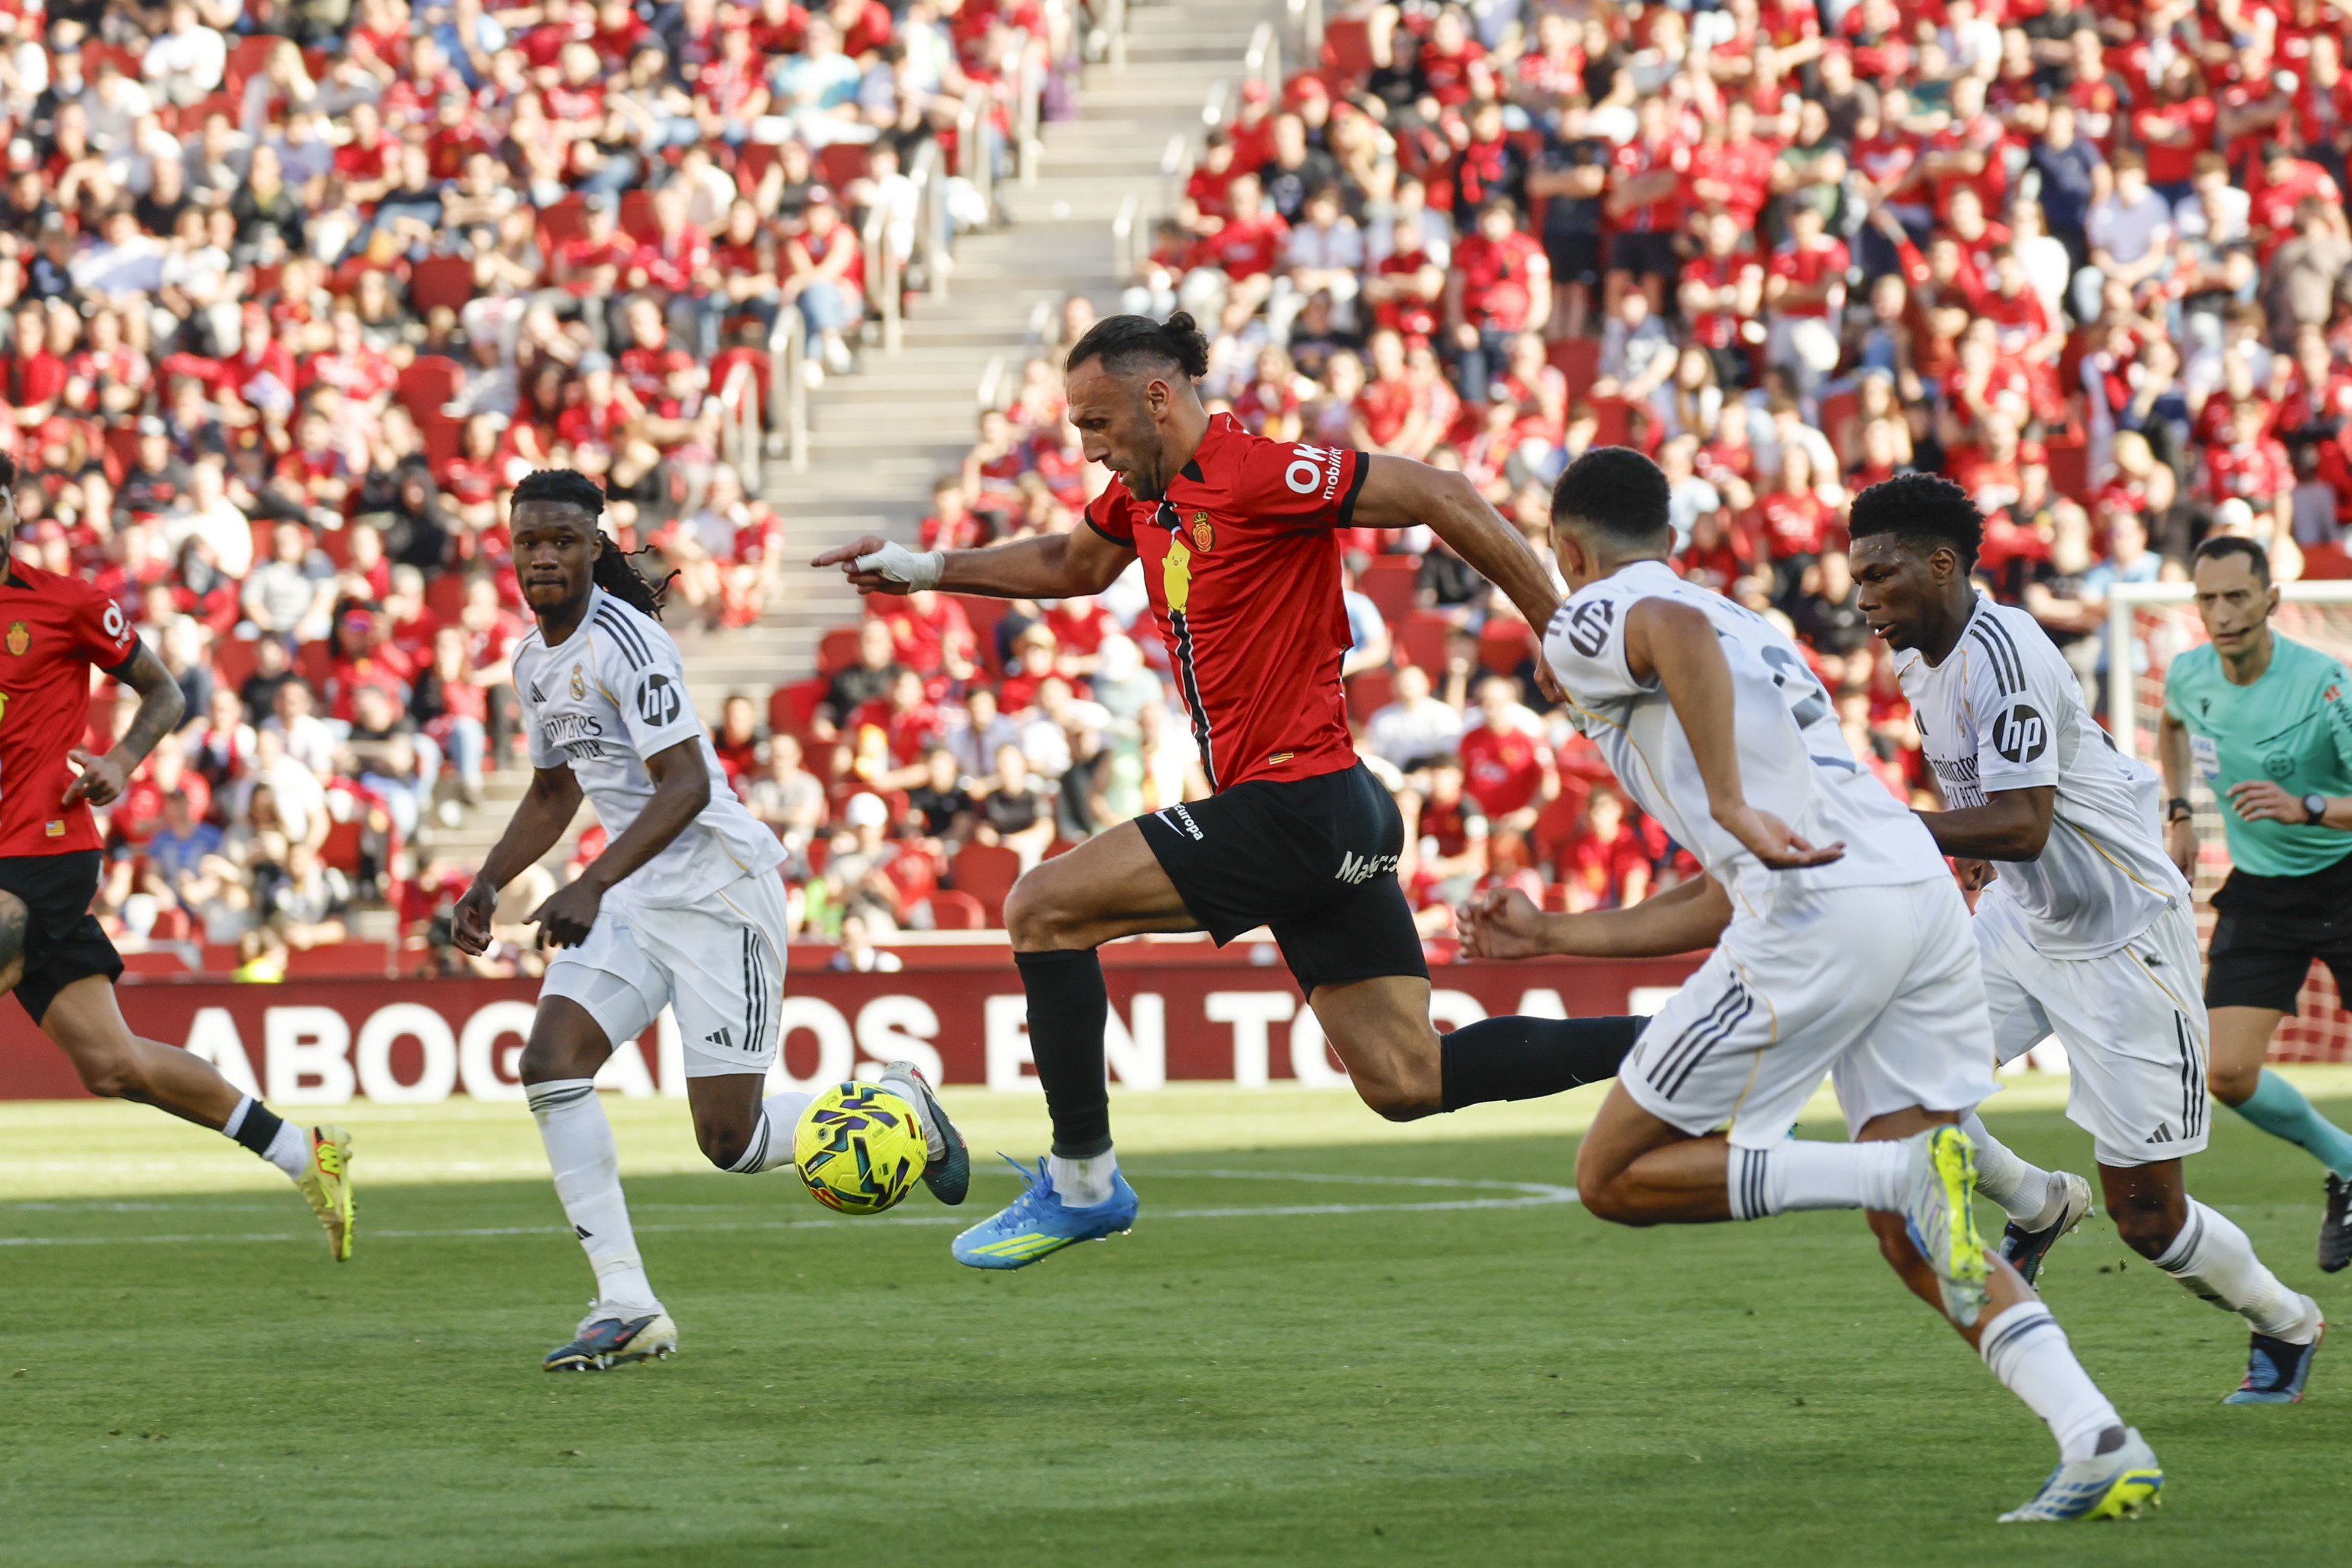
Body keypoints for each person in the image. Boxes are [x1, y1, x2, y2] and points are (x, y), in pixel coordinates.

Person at [817, 312, 1639, 1272]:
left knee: (1042, 907)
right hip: (1333, 812)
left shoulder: (1259, 473)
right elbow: (1072, 564)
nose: (1089, 449)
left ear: (1157, 398)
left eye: (1096, 423)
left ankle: (1082, 1181)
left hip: (1299, 802)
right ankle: (1688, 1041)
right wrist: (927, 568)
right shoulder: (1146, 499)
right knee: (1407, 1077)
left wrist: (1558, 628)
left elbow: (1441, 492)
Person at [1462, 447, 2160, 1521]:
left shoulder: (1616, 613)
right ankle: (2098, 1437)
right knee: (1920, 1234)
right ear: (1672, 537)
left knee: (1614, 1174)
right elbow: (1721, 883)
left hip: (1819, 913)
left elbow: (1671, 640)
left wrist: (1729, 804)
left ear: (1569, 551)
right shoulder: (1749, 626)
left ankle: (1892, 1172)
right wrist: (1556, 932)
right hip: (1909, 894)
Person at [452, 469, 969, 1371]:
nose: (544, 556)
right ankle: (627, 1301)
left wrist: (589, 883)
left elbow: (687, 783)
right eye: (529, 539)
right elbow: (553, 789)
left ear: (593, 546)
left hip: (719, 891)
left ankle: (897, 1103)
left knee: (732, 1142)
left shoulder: (630, 640)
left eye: (563, 540)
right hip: (635, 893)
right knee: (550, 1062)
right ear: (511, 544)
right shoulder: (533, 659)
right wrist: (489, 881)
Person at [1851, 475, 2324, 1406]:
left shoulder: (2007, 653)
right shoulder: (1916, 654)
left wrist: (1890, 825)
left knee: (2148, 1219)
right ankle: (2037, 1201)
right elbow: (1991, 800)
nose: (1862, 596)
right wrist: (1965, 840)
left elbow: (2025, 822)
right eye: (1857, 575)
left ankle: (2286, 1318)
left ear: (1941, 564)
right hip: (2023, 918)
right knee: (1892, 1075)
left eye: (1879, 575)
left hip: (2123, 937)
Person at [0, 454, 351, 1260]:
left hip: (46, 849)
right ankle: (305, 1152)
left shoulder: (65, 602)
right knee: (112, 1065)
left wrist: (123, 760)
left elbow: (165, 689)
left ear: (13, 510)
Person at [2158, 534, 2352, 1274]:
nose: (2221, 613)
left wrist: (2307, 806)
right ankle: (2347, 1164)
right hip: (2264, 891)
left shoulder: (2324, 684)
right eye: (2207, 599)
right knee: (2228, 1073)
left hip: (2345, 876)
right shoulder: (2189, 675)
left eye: (2237, 596)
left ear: (2271, 600)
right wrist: (2179, 810)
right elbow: (2172, 724)